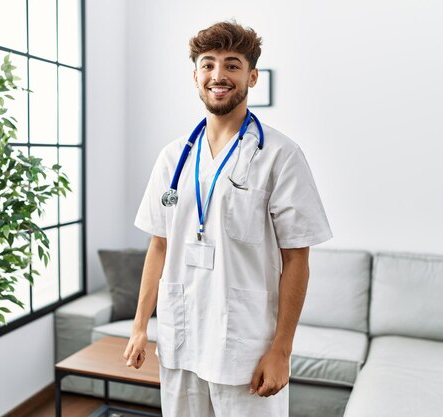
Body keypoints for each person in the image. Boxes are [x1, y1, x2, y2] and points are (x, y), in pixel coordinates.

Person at [123, 21, 332, 416]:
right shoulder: (173, 158)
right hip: (181, 341)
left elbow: (297, 260)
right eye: (208, 64)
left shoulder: (280, 155)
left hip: (244, 348)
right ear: (196, 75)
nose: (218, 75)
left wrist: (281, 351)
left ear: (251, 76)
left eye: (232, 65)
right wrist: (139, 327)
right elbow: (159, 245)